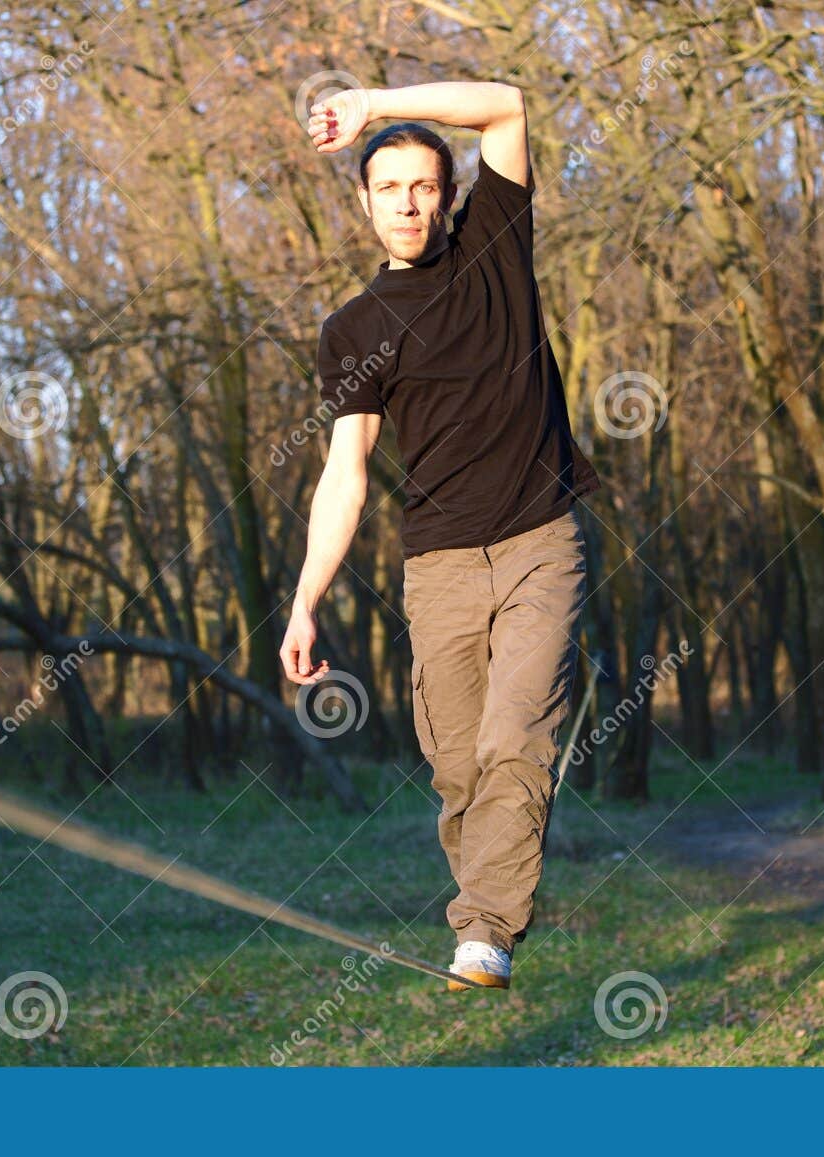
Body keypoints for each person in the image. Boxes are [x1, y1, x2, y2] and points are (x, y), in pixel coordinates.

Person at [280, 82, 601, 991]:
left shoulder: (496, 247)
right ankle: (487, 912)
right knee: (458, 768)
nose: (410, 203)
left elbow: (505, 104)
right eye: (391, 188)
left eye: (425, 185)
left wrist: (375, 102)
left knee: (513, 741)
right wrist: (306, 601)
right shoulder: (354, 330)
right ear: (366, 201)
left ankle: (485, 929)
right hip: (440, 564)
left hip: (540, 540)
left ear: (449, 194)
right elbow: (345, 474)